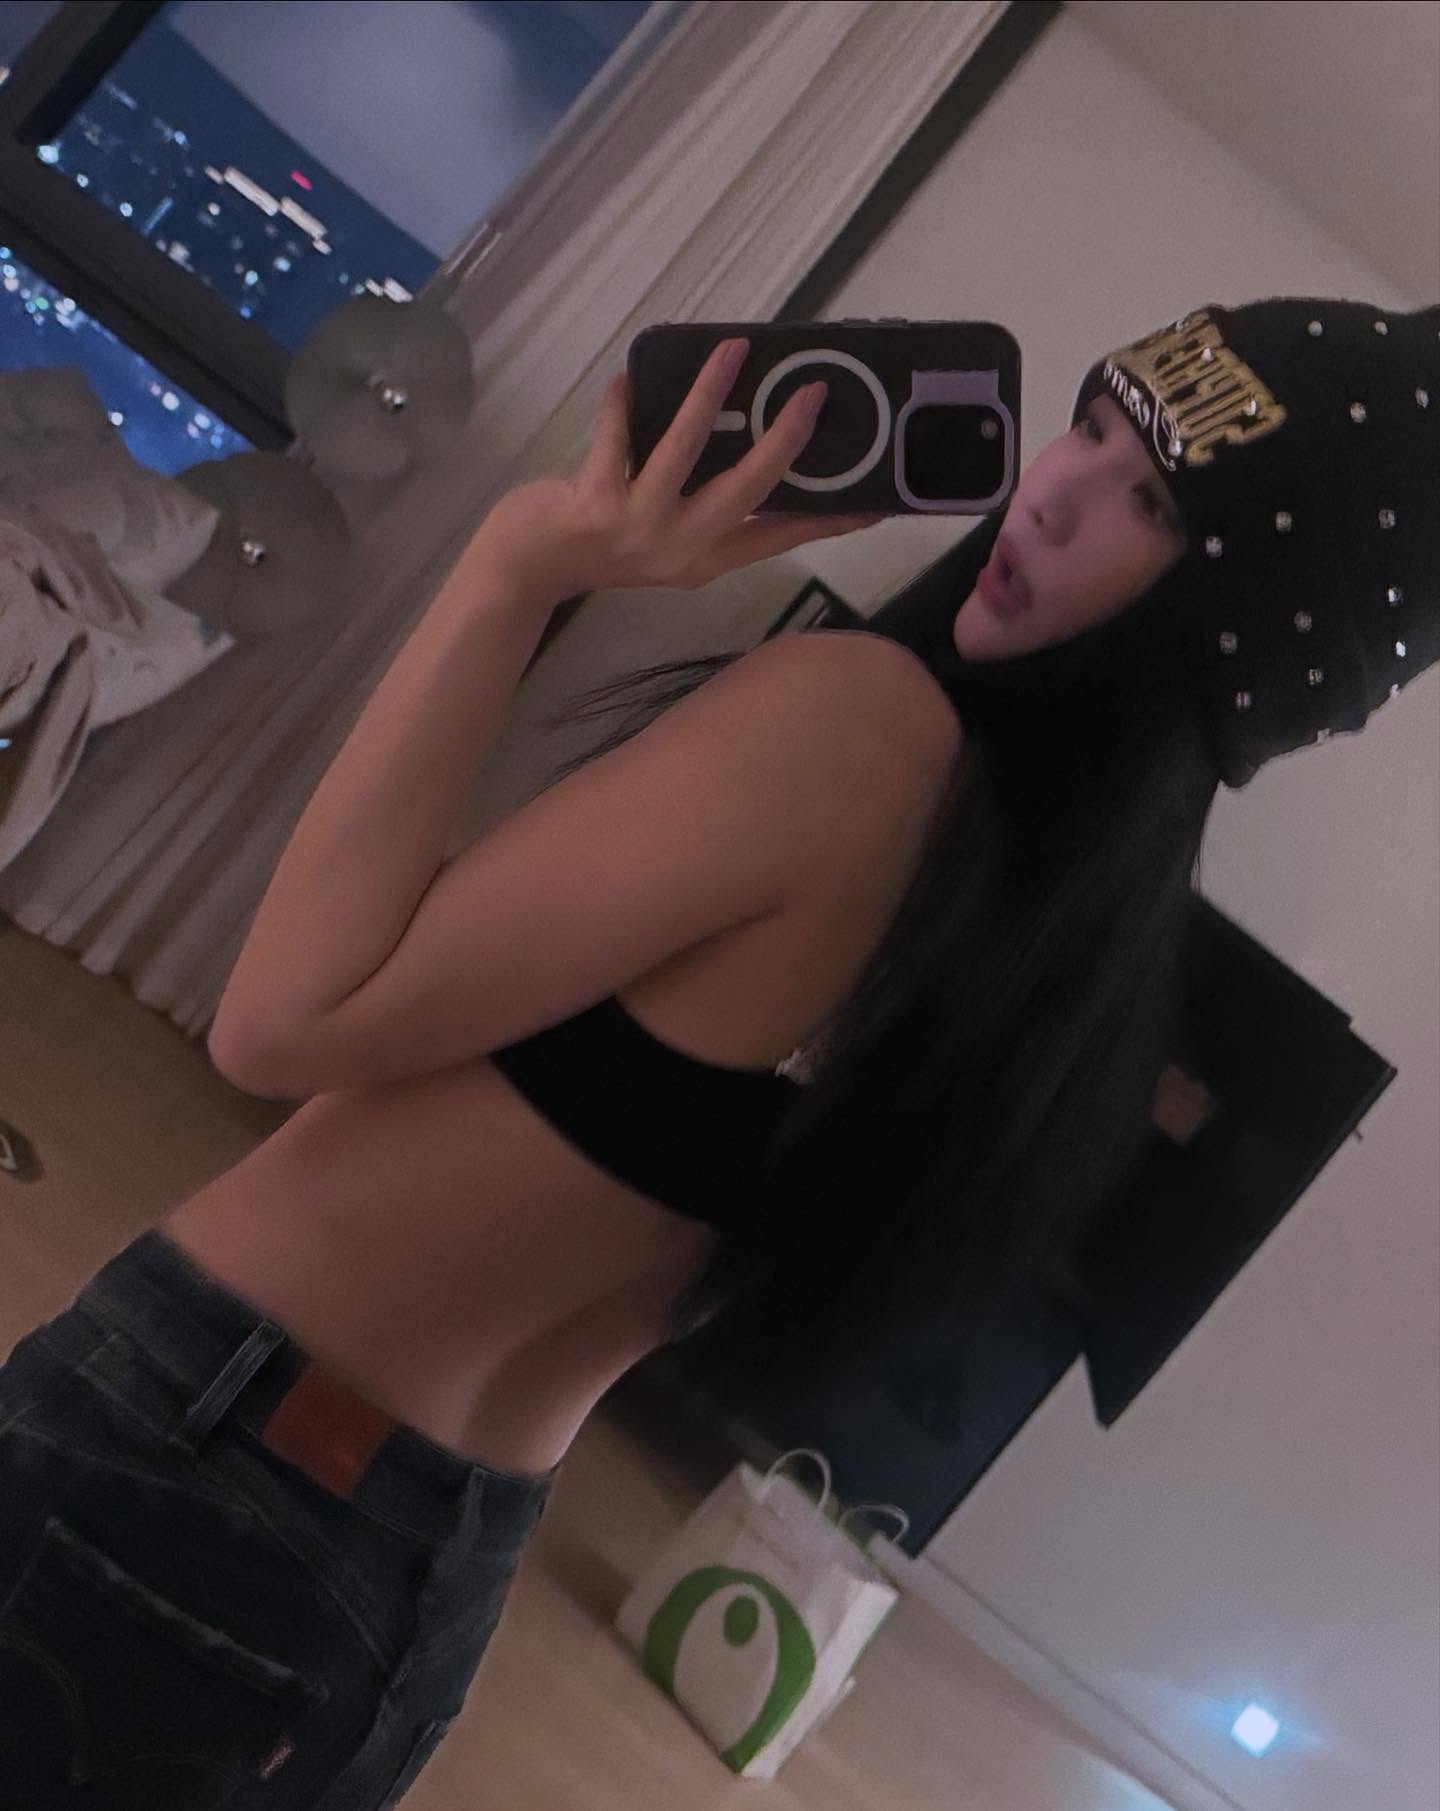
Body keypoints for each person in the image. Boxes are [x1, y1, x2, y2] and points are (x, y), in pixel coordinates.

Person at [0, 297, 1433, 1807]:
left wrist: (517, 566)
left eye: (1156, 506)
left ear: (1239, 628)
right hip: (408, 1574)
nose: (1054, 492)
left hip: (196, 1457)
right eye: (1089, 424)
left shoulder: (857, 726)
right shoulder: (1055, 967)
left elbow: (283, 1021)